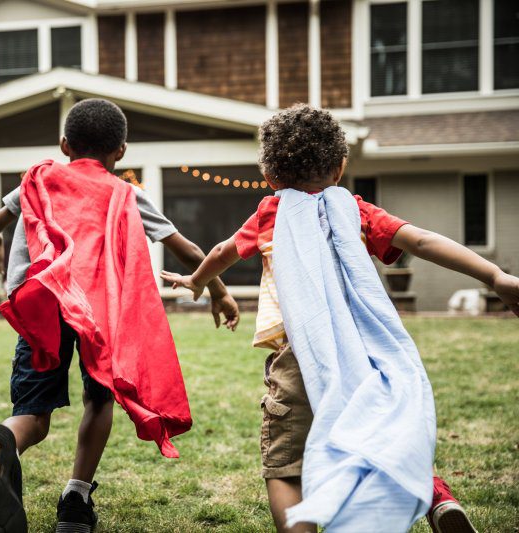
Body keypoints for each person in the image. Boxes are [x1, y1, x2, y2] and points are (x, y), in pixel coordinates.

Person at [161, 104, 519, 533]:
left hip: (299, 353)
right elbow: (421, 241)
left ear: (269, 176)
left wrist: (198, 282)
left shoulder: (270, 214)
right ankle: (436, 498)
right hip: (365, 348)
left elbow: (221, 252)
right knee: (381, 425)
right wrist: (494, 275)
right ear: (340, 167)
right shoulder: (357, 211)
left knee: (286, 466)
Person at [0, 98, 240, 533]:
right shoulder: (128, 193)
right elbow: (188, 250)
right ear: (122, 151)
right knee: (99, 400)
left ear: (64, 145)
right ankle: (75, 498)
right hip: (102, 313)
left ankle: (5, 441)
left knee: (34, 416)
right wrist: (219, 293)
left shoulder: (39, 179)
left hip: (46, 304)